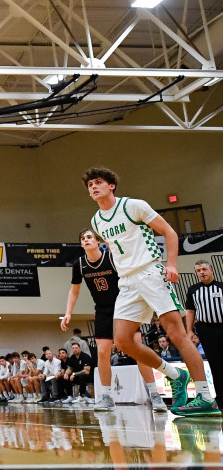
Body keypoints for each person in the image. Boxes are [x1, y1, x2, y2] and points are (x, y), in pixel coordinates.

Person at [85, 166, 216, 416]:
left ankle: (205, 396)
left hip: (150, 272)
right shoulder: (96, 221)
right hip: (127, 281)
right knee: (122, 340)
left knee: (176, 333)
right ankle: (175, 374)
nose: (93, 187)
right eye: (90, 184)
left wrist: (172, 265)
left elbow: (169, 232)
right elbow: (115, 249)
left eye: (98, 182)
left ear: (111, 185)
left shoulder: (133, 206)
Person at [62, 228, 163, 410]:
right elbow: (74, 290)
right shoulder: (79, 264)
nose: (86, 240)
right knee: (102, 353)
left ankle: (155, 394)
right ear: (81, 244)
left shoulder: (111, 258)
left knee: (138, 349)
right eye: (83, 238)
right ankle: (107, 396)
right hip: (102, 311)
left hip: (124, 307)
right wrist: (68, 312)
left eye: (90, 237)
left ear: (98, 241)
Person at [185, 259, 223, 397]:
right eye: (198, 271)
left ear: (211, 270)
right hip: (206, 330)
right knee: (215, 364)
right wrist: (189, 331)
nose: (202, 272)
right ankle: (220, 399)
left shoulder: (221, 286)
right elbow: (190, 311)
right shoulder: (193, 290)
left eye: (204, 269)